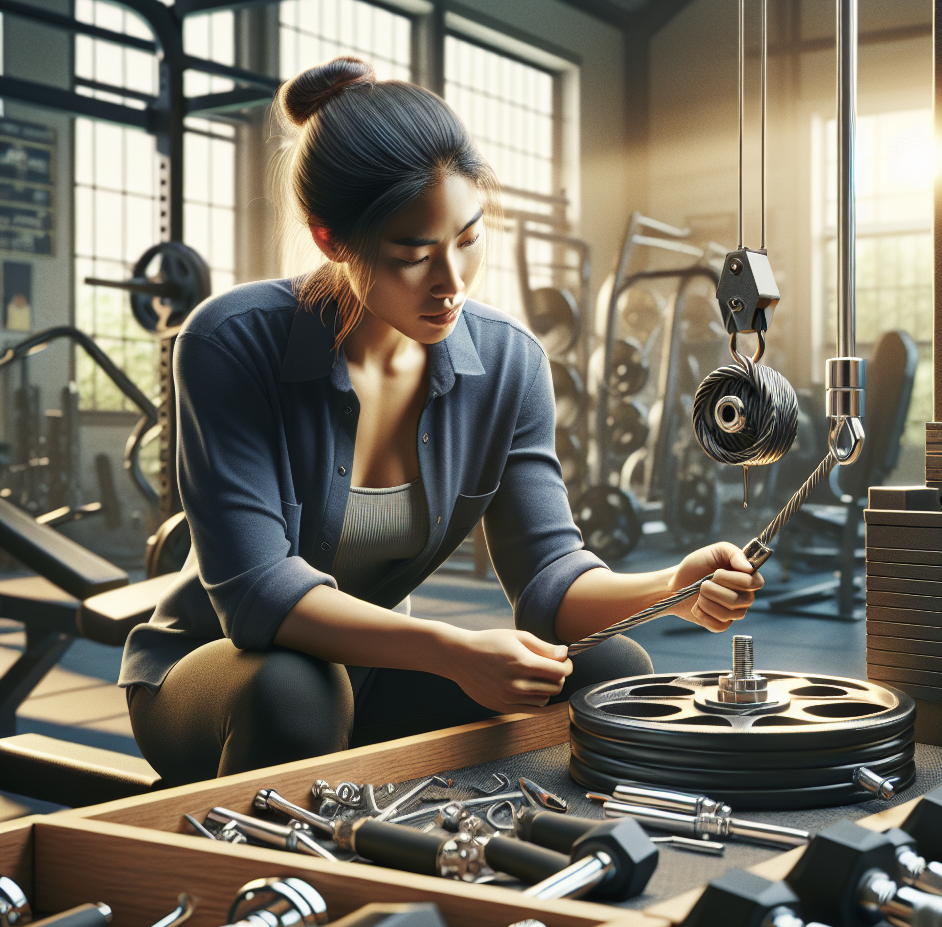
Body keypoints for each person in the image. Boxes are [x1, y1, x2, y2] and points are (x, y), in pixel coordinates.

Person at [119, 57, 764, 784]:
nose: (451, 282)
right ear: (331, 239)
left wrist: (670, 587)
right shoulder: (230, 341)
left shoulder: (510, 364)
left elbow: (549, 575)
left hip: (369, 674)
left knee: (608, 668)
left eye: (467, 237)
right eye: (413, 253)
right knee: (296, 686)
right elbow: (257, 594)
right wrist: (453, 651)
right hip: (217, 678)